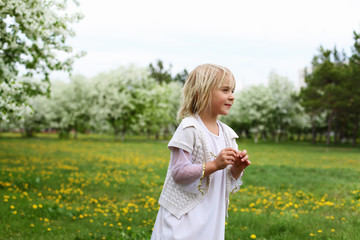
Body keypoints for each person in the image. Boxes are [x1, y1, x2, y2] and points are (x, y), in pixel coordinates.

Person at [151, 63, 251, 240]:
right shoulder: (190, 128)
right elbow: (178, 172)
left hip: (211, 217)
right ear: (202, 92)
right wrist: (214, 164)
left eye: (233, 90)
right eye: (225, 90)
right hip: (184, 218)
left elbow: (227, 178)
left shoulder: (228, 135)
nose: (232, 96)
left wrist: (237, 168)